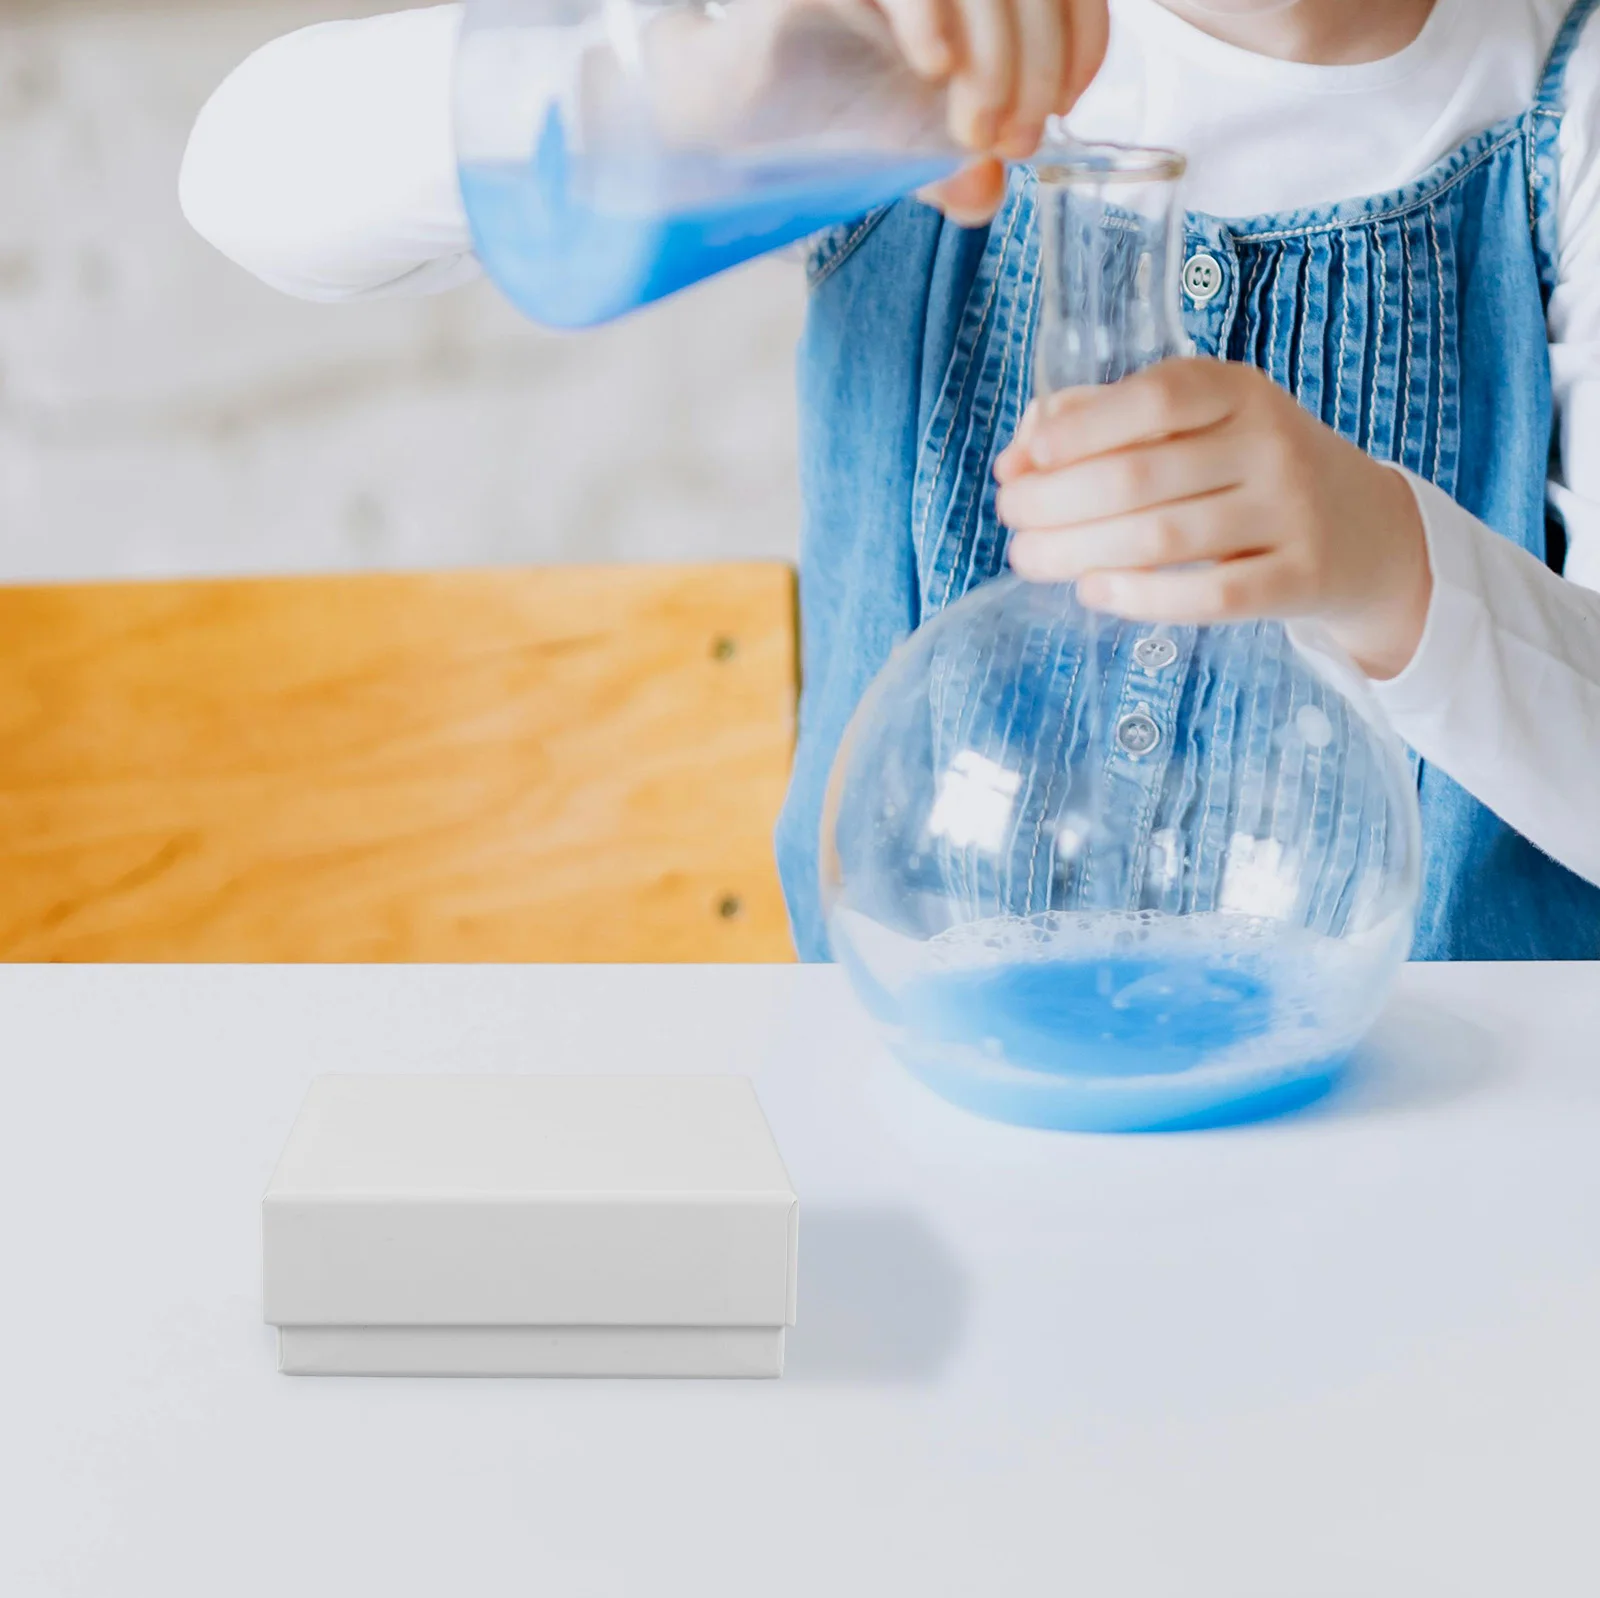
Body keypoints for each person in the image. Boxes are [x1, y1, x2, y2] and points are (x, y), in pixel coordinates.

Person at [181, 0, 1600, 961]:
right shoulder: (920, 48)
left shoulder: (1563, 105)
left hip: (1448, 1196)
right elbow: (246, 182)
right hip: (916, 1167)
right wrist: (700, 68)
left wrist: (1393, 566)